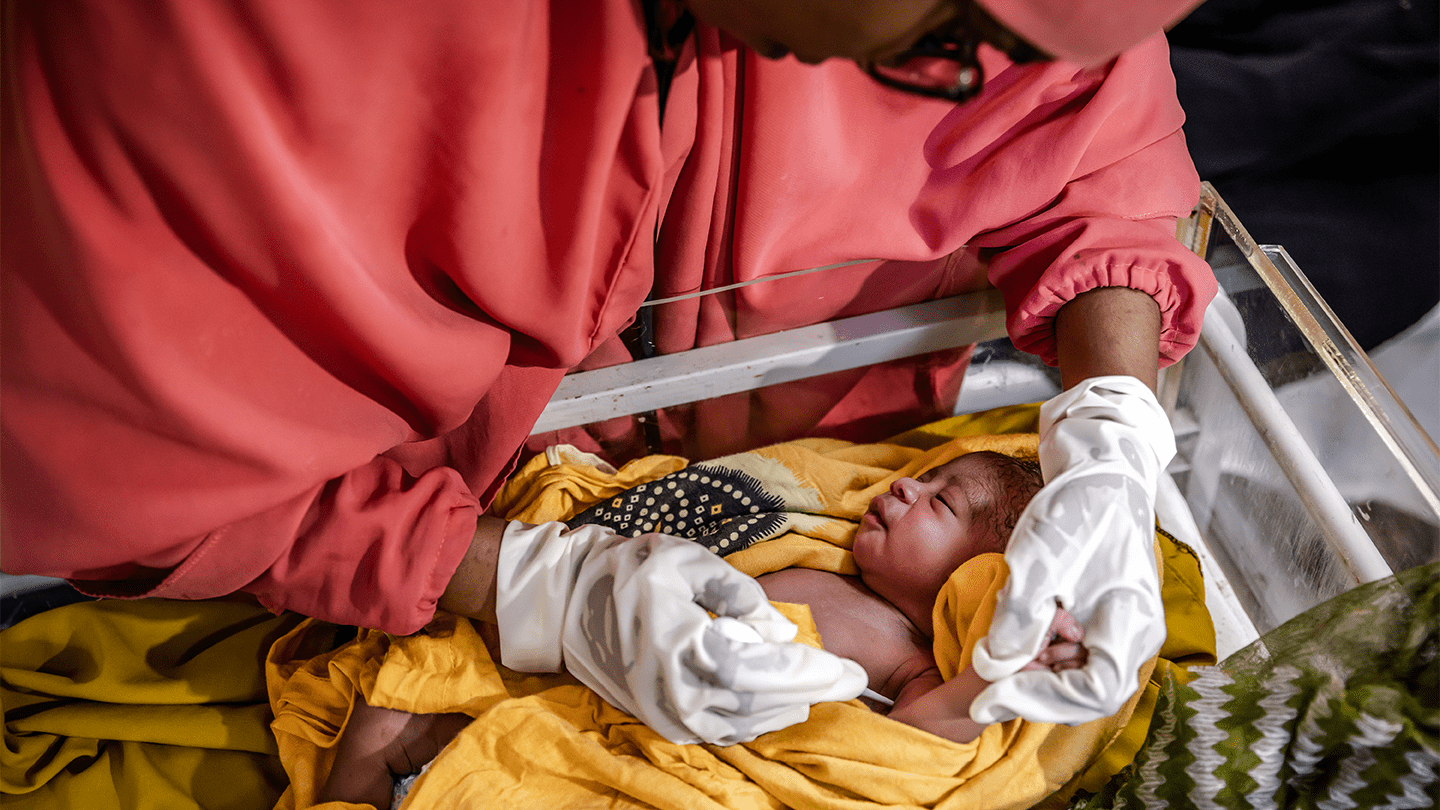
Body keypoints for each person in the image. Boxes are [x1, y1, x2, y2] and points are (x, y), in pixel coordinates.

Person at [1, 0, 1213, 745]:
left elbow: (1093, 146)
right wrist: (526, 582)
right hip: (387, 543)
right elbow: (116, 459)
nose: (997, 74)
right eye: (957, 39)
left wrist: (1110, 429)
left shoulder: (921, 647)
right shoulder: (225, 52)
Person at [320, 451, 1086, 809]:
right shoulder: (819, 554)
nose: (905, 484)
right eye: (927, 477)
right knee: (382, 711)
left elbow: (923, 742)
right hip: (604, 665)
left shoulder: (909, 660)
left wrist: (995, 676)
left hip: (681, 740)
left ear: (980, 576)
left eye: (942, 504)